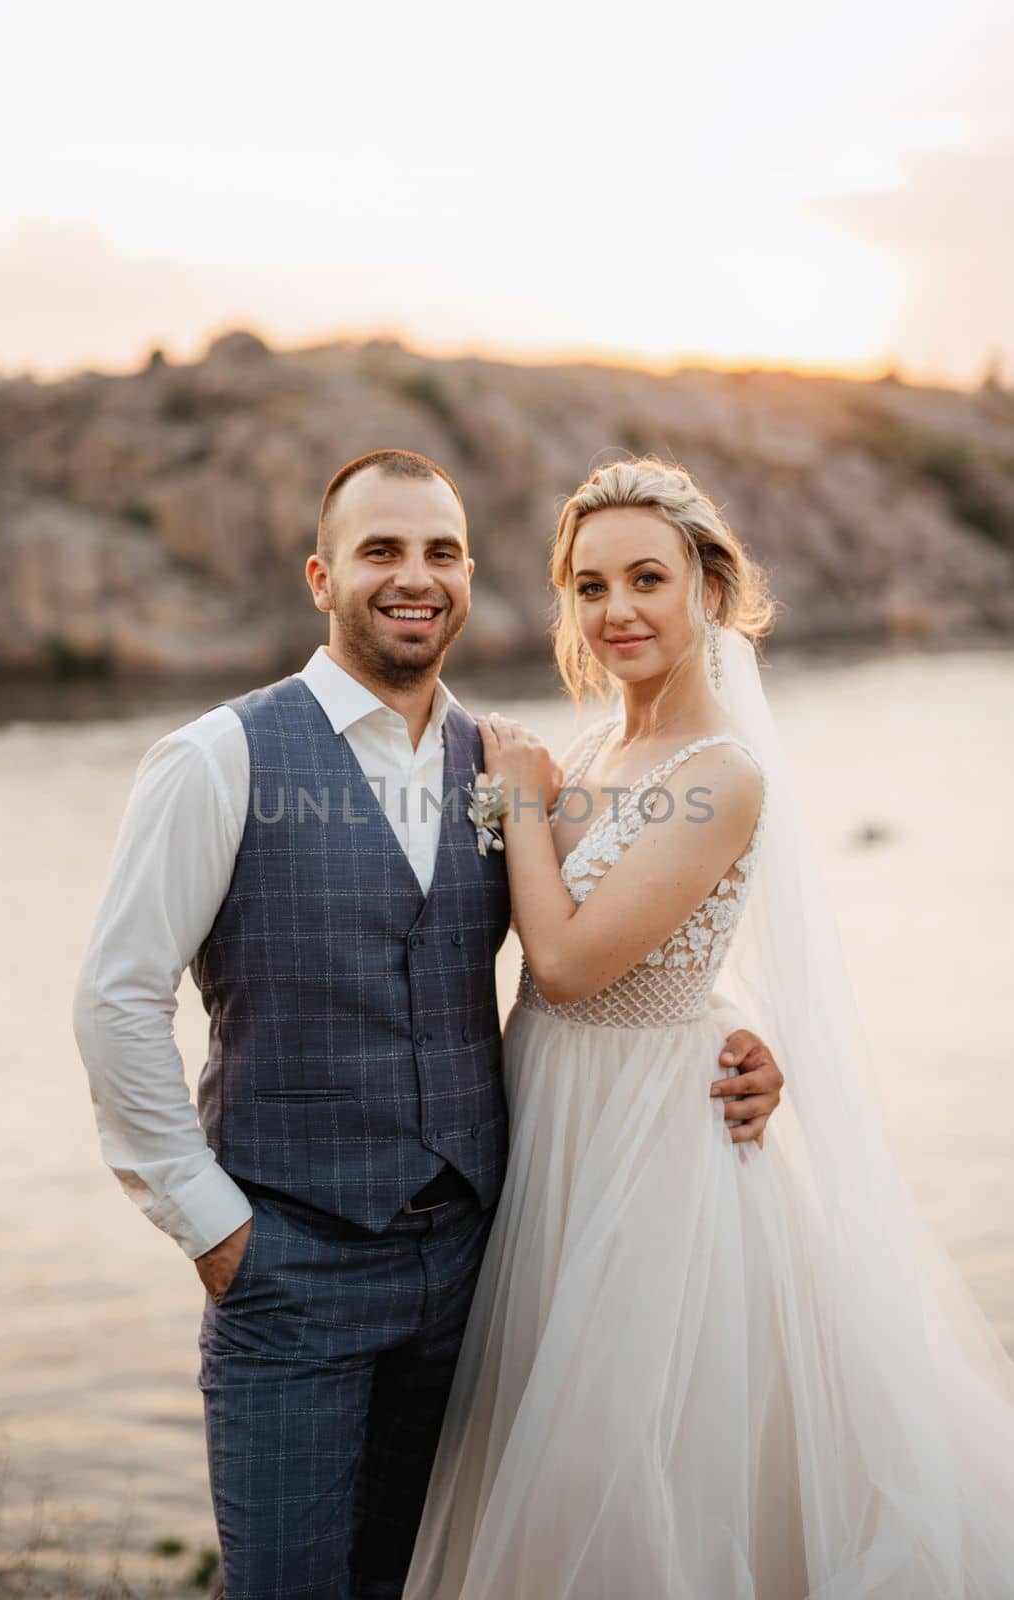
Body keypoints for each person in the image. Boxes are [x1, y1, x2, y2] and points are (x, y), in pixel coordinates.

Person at [71, 448, 784, 1598]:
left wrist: (733, 1033)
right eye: (382, 551)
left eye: (441, 551)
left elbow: (638, 932)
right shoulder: (219, 757)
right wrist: (213, 1228)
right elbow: (115, 1000)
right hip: (288, 1270)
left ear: (469, 574)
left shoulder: (508, 764)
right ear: (322, 576)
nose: (417, 577)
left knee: (436, 1577)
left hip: (481, 1269)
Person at [402, 455, 1014, 1599]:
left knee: (627, 1454)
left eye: (647, 578)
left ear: (708, 592)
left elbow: (575, 963)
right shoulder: (588, 751)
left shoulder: (722, 770)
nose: (618, 608)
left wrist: (521, 804)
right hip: (551, 1118)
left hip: (650, 1144)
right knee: (540, 1434)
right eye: (590, 585)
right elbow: (653, 947)